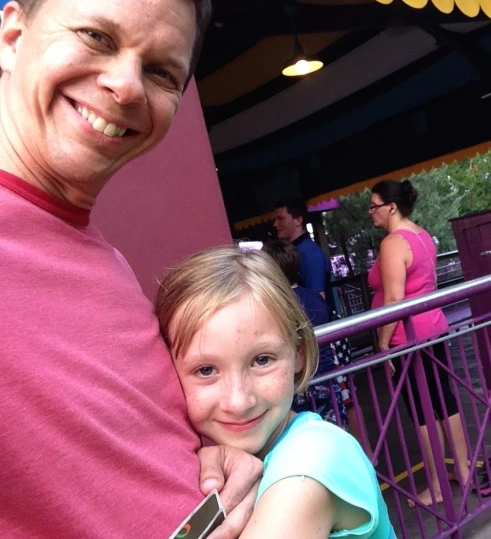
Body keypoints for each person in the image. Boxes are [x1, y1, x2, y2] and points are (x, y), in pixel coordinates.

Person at [0, 0, 260, 537]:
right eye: (96, 36)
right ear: (12, 36)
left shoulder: (108, 263)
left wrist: (209, 459)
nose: (126, 86)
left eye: (162, 72)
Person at [156, 246, 397, 539]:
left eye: (262, 360)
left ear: (297, 354)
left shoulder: (312, 462)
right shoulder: (239, 457)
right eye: (206, 370)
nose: (239, 401)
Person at [367, 179, 473, 507]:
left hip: (407, 338)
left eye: (374, 206)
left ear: (392, 207)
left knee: (422, 413)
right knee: (444, 401)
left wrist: (383, 344)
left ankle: (438, 486)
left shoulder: (393, 243)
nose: (370, 212)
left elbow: (396, 298)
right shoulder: (422, 235)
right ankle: (464, 470)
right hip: (433, 327)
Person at [262, 239, 348, 429]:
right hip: (326, 376)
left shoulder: (278, 305)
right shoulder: (315, 297)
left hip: (300, 383)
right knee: (334, 431)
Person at [273, 197, 332, 299]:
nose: (275, 224)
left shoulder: (309, 253)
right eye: (275, 219)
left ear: (298, 220)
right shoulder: (300, 250)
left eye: (281, 219)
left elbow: (317, 301)